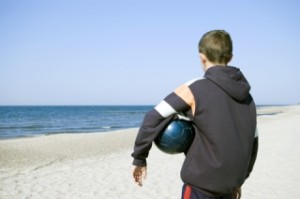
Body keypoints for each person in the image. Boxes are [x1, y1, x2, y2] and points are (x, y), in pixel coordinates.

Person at [131, 30, 258, 199]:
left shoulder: (195, 88)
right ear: (230, 57)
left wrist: (139, 158)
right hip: (230, 189)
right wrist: (239, 181)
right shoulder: (248, 98)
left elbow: (154, 116)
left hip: (200, 188)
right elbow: (253, 143)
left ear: (202, 57)